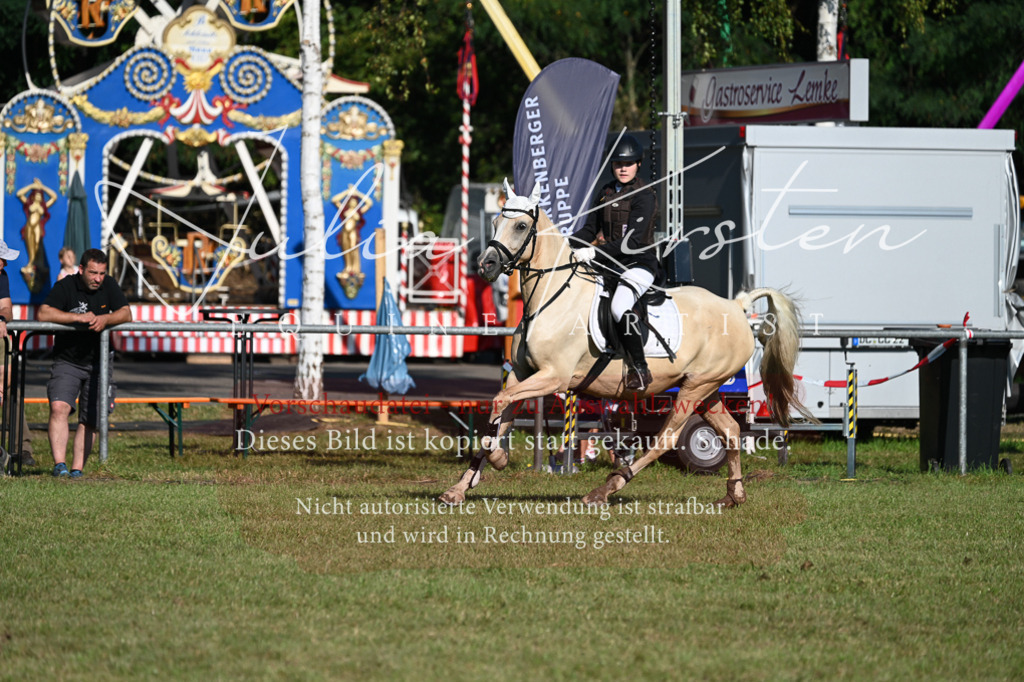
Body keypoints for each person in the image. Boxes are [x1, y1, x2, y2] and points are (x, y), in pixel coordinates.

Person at [573, 134, 659, 391]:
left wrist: (594, 253)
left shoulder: (645, 195)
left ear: (638, 164)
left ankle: (640, 368)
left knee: (620, 306)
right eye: (619, 163)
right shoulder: (605, 191)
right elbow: (590, 229)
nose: (623, 168)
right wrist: (565, 244)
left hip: (638, 264)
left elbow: (631, 243)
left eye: (629, 163)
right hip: (608, 264)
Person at [37, 249, 132, 478]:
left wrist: (106, 319)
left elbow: (126, 313)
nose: (98, 278)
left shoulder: (108, 285)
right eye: (93, 273)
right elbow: (43, 313)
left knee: (90, 417)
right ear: (81, 270)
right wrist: (77, 318)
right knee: (59, 407)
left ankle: (77, 470)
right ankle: (60, 465)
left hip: (100, 361)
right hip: (67, 360)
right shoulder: (66, 286)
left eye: (101, 273)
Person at [0, 239, 36, 469]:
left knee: (10, 385)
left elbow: (6, 307)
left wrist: (1, 319)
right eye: (1, 258)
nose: (3, 264)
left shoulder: (1, 276)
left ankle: (21, 449)